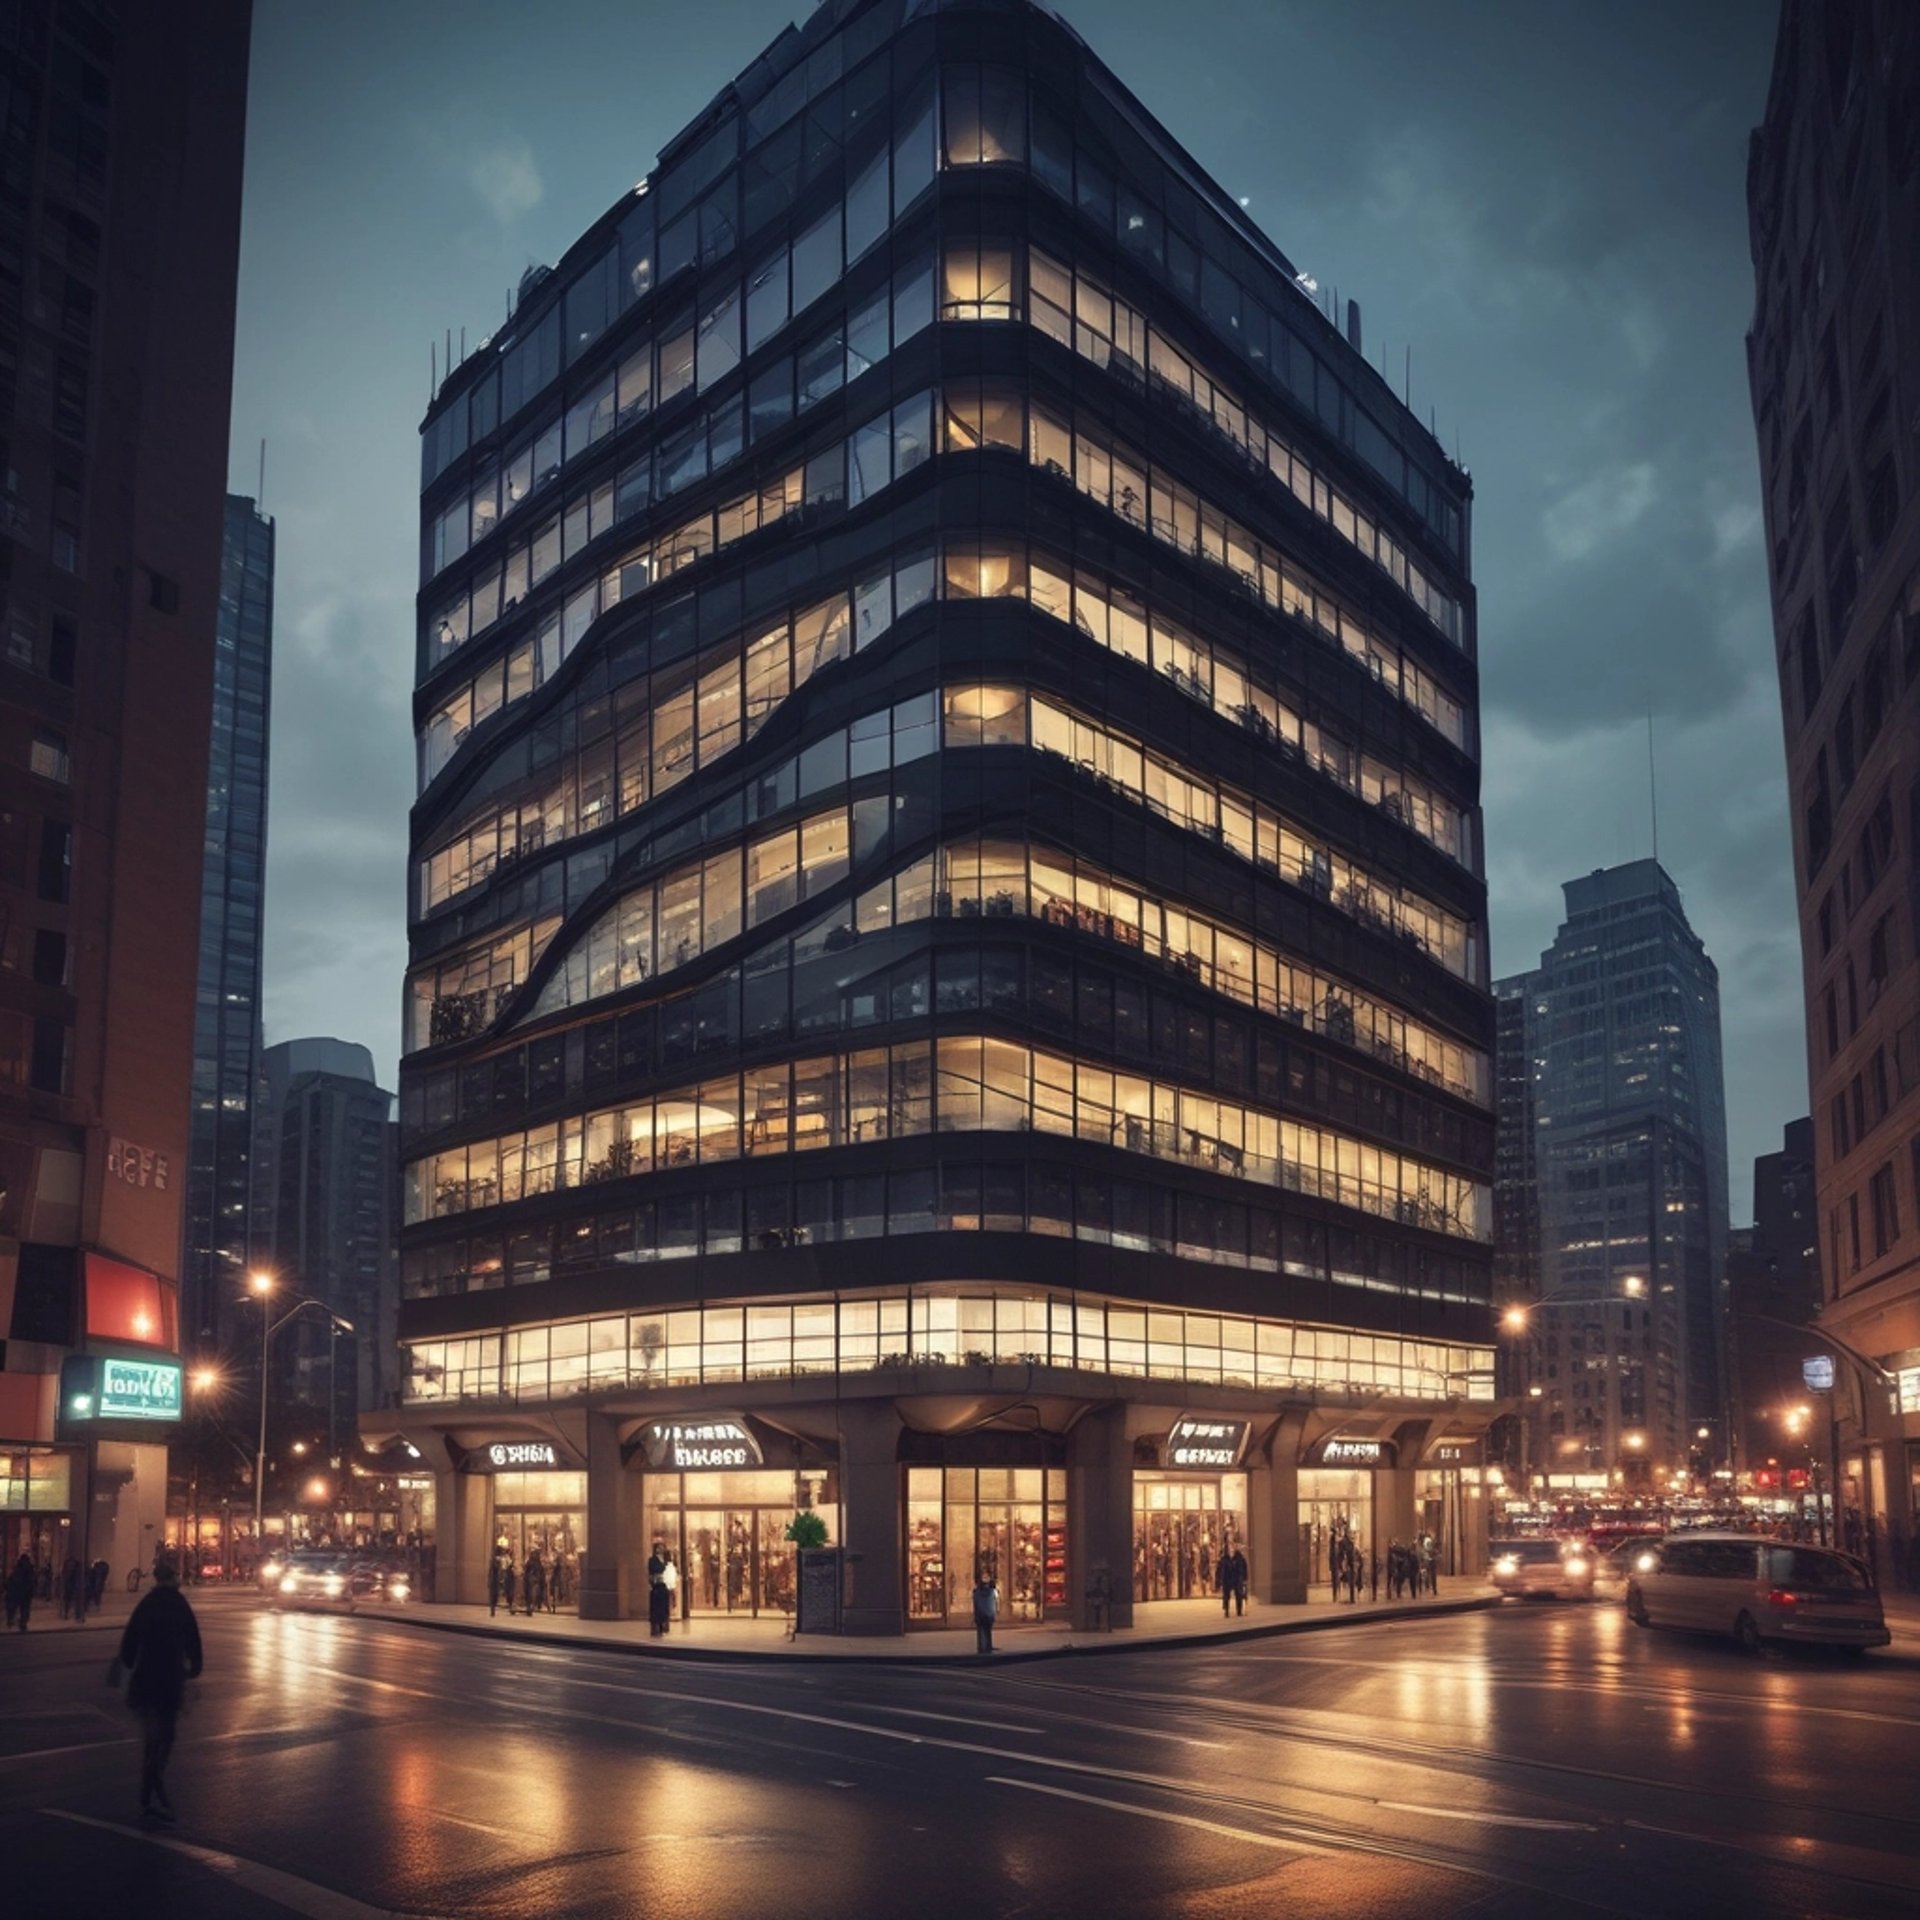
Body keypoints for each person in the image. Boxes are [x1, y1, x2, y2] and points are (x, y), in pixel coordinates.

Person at [114, 1559, 202, 1823]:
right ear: (173, 1578)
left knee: (152, 1739)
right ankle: (152, 1792)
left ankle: (151, 1794)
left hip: (145, 1678)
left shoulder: (147, 1605)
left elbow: (130, 1641)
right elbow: (193, 1640)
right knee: (165, 1738)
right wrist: (194, 1668)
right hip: (169, 1679)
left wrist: (129, 1661)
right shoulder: (179, 1605)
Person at [647, 1539, 672, 1637]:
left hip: (664, 1585)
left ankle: (663, 1626)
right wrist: (664, 1566)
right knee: (656, 1608)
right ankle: (656, 1628)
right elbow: (654, 1570)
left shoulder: (666, 1559)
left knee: (664, 1607)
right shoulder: (652, 1560)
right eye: (658, 1547)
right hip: (657, 1587)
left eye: (662, 1547)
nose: (660, 1549)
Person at [972, 1569, 999, 1655]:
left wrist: (975, 1614)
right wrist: (995, 1611)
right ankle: (988, 1646)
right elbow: (997, 1601)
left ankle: (982, 1647)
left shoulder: (976, 1591)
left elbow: (975, 1603)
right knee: (988, 1630)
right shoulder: (993, 1590)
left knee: (981, 1631)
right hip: (990, 1614)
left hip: (980, 1614)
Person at [4, 1553, 32, 1631]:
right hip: (25, 1593)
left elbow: (12, 1579)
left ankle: (11, 1621)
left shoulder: (18, 1567)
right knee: (24, 1609)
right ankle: (22, 1623)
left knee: (14, 1607)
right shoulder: (29, 1568)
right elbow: (30, 1581)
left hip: (17, 1592)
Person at [1220, 1544, 1249, 1618]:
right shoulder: (1225, 1559)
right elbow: (1222, 1570)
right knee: (1227, 1596)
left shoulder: (1240, 1559)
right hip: (1228, 1579)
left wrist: (1244, 1578)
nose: (1232, 1549)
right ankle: (1227, 1611)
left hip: (1236, 1579)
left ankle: (1238, 1611)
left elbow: (1244, 1569)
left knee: (1238, 1595)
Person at [523, 1547, 546, 1617]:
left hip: (531, 1580)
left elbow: (526, 1570)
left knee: (530, 1593)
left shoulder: (531, 1561)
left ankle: (530, 1606)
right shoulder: (537, 1562)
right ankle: (534, 1605)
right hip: (534, 1580)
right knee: (533, 1593)